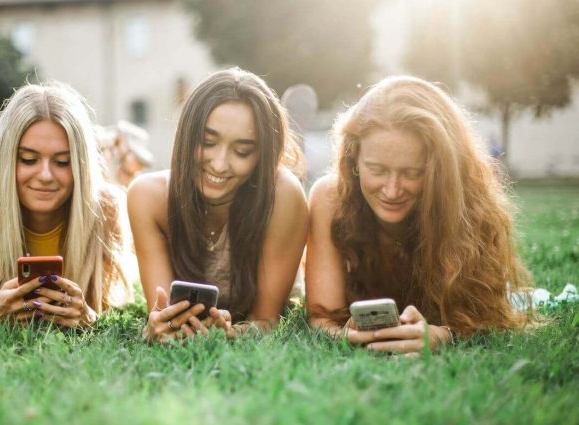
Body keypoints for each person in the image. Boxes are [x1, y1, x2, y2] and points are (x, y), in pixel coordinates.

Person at [306, 75, 532, 353]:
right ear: (353, 159)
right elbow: (321, 316)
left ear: (440, 171)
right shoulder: (330, 199)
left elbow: (487, 318)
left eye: (413, 173)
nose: (392, 190)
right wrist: (345, 334)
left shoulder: (466, 206)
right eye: (376, 170)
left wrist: (443, 335)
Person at [128, 68, 308, 342]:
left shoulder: (283, 195)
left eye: (242, 151)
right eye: (207, 142)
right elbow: (162, 311)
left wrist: (231, 334)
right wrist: (163, 325)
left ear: (262, 155)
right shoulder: (148, 197)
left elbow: (267, 320)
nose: (220, 164)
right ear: (187, 136)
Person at [0, 81, 128, 327]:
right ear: (6, 160)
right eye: (28, 159)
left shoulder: (106, 206)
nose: (46, 175)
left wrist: (88, 318)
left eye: (62, 162)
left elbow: (108, 311)